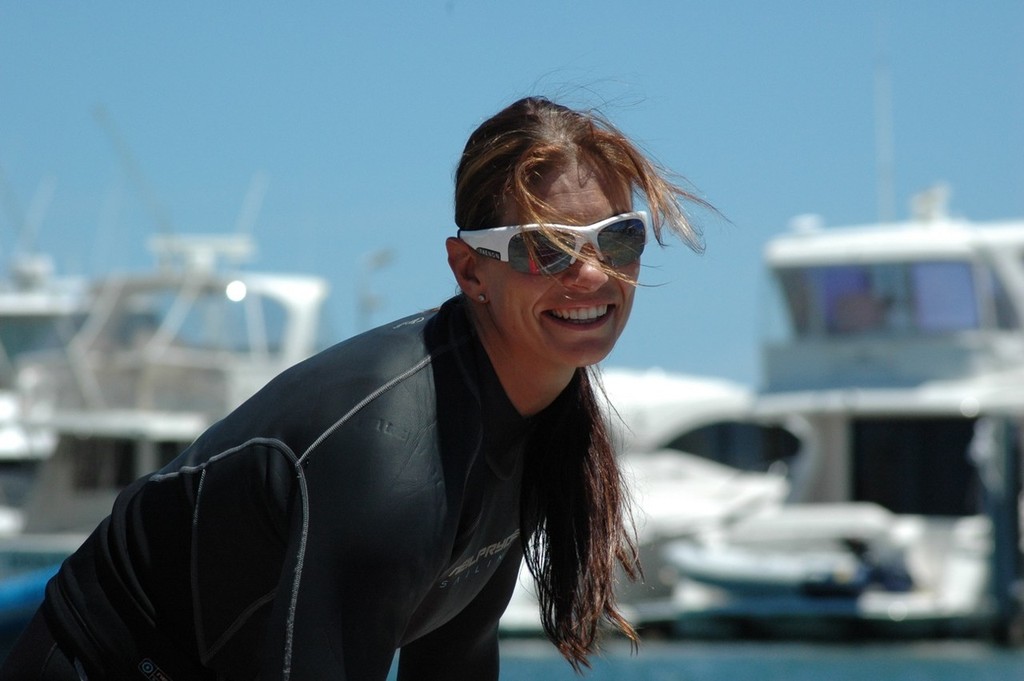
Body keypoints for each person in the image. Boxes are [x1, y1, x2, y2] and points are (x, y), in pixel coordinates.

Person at [0, 95, 705, 680]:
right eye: (546, 248)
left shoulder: (532, 420)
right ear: (470, 271)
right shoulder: (394, 444)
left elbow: (454, 653)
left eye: (618, 239)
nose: (590, 276)